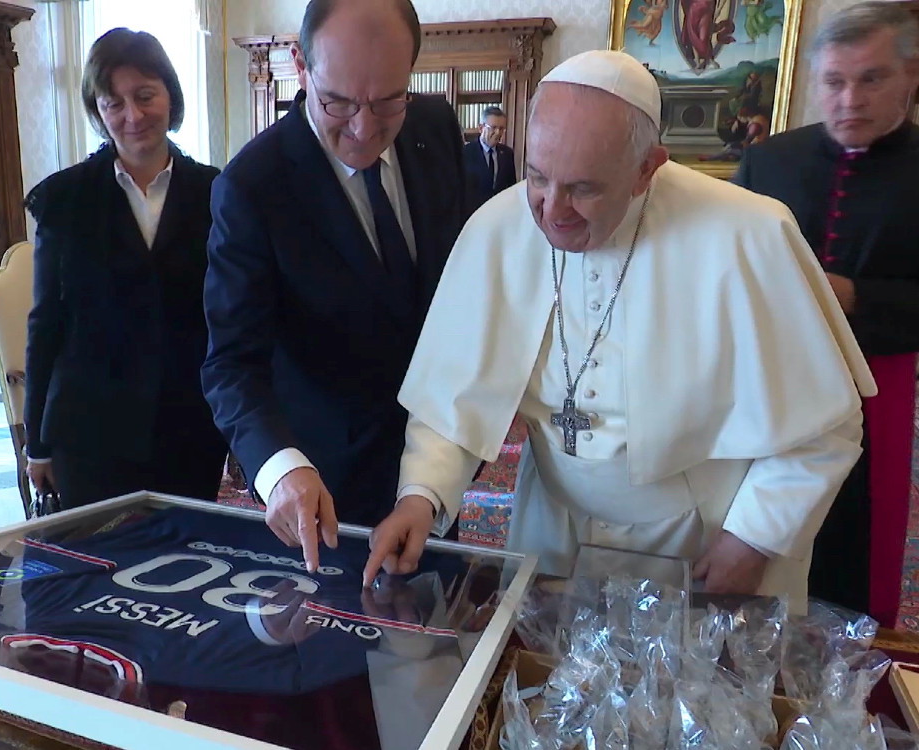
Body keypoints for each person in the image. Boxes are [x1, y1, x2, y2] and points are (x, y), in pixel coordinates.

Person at [363, 49, 877, 611]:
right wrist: (422, 496)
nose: (551, 211)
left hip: (698, 541)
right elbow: (450, 400)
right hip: (549, 533)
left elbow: (825, 426)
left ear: (645, 169)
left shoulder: (748, 235)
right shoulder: (499, 228)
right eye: (537, 176)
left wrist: (756, 535)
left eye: (583, 189)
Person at [202, 0, 467, 571]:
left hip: (437, 467)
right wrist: (279, 467)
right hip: (323, 493)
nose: (364, 128)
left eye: (388, 101)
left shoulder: (435, 129)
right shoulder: (253, 187)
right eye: (338, 102)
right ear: (300, 64)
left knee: (437, 643)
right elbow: (229, 364)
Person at [733, 1, 919, 626]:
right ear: (814, 83)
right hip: (766, 380)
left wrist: (856, 297)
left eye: (872, 79)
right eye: (834, 82)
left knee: (852, 542)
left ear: (910, 76)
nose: (850, 99)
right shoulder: (769, 161)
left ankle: (842, 668)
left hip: (874, 384)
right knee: (751, 521)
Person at [24, 28, 228, 510]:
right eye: (113, 102)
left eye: (144, 96)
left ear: (170, 98)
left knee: (186, 565)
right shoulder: (63, 200)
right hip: (88, 433)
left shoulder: (217, 194)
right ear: (97, 111)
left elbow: (230, 316)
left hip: (188, 425)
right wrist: (37, 442)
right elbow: (45, 325)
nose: (132, 116)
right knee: (98, 568)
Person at [464, 106, 518, 214]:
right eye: (493, 127)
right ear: (481, 128)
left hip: (500, 215)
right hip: (473, 215)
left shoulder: (507, 154)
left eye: (501, 128)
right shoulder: (465, 153)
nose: (498, 133)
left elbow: (511, 188)